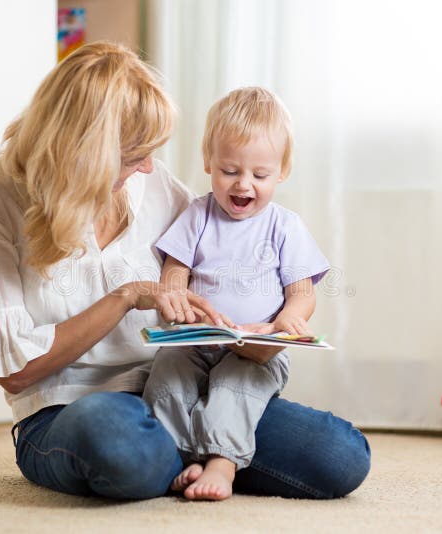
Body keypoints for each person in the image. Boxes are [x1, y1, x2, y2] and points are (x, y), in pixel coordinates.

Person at [0, 41, 370, 501]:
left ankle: (203, 458)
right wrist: (125, 297)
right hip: (68, 409)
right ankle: (199, 455)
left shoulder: (154, 185)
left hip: (182, 390)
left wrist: (252, 336)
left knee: (340, 454)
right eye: (135, 155)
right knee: (118, 438)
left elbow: (212, 264)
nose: (150, 167)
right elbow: (15, 372)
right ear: (86, 152)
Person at [142, 87, 331, 501]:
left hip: (254, 347)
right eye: (229, 171)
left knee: (234, 384)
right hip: (200, 338)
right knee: (167, 374)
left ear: (281, 171)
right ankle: (179, 457)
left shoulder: (285, 226)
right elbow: (176, 270)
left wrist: (288, 320)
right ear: (208, 162)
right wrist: (176, 300)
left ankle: (222, 462)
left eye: (259, 175)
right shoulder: (197, 214)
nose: (243, 184)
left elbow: (302, 292)